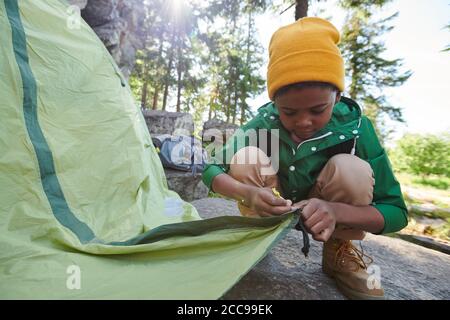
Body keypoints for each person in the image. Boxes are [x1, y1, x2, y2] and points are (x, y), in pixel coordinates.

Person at [202, 17, 408, 300]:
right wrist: (248, 193)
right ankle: (257, 236)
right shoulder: (265, 123)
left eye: (317, 109)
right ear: (275, 103)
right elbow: (211, 169)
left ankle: (339, 249)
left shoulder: (357, 128)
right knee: (247, 155)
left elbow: (396, 212)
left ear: (337, 96)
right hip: (276, 206)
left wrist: (336, 213)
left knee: (351, 170)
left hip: (333, 215)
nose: (304, 122)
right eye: (289, 112)